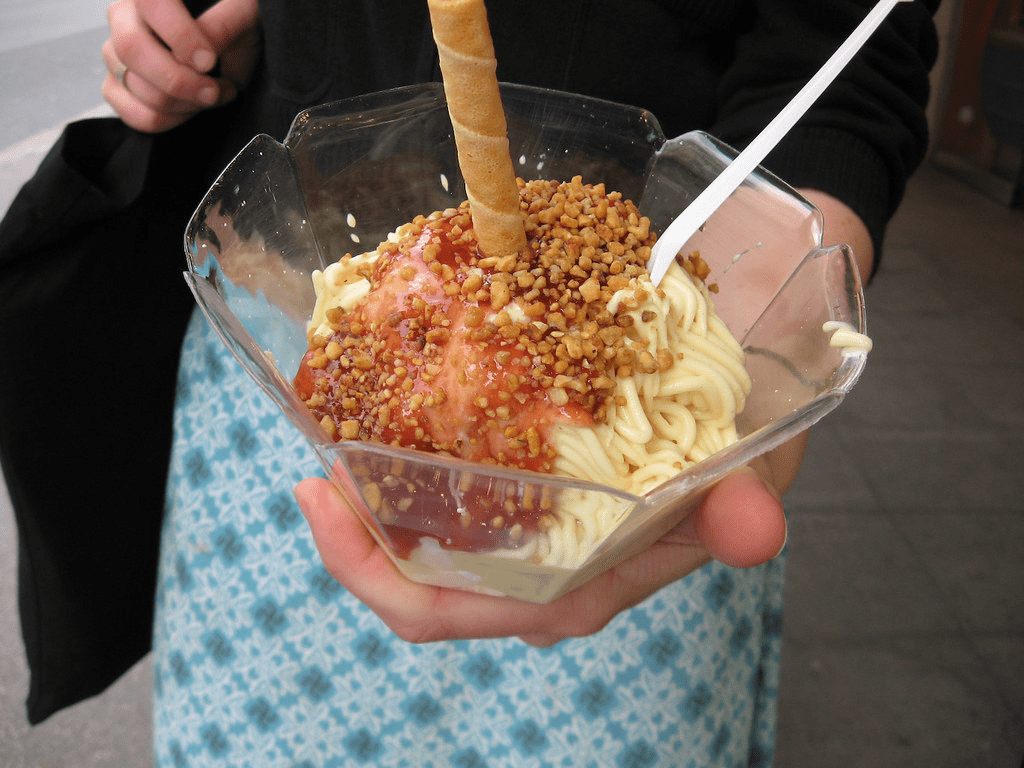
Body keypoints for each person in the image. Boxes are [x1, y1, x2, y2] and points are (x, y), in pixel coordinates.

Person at [98, 0, 939, 765]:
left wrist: (773, 315)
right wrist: (214, 32)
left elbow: (846, 47)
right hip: (287, 377)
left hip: (638, 488)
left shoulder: (657, 368)